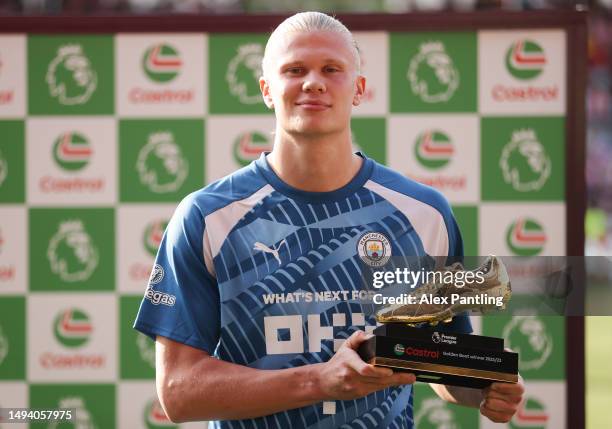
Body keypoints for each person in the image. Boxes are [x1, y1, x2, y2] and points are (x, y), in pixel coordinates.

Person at [134, 11, 524, 428]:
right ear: (267, 90)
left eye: (331, 69)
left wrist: (487, 385)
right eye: (295, 70)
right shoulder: (206, 217)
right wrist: (320, 380)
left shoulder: (424, 215)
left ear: (358, 89)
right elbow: (178, 391)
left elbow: (441, 360)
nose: (313, 82)